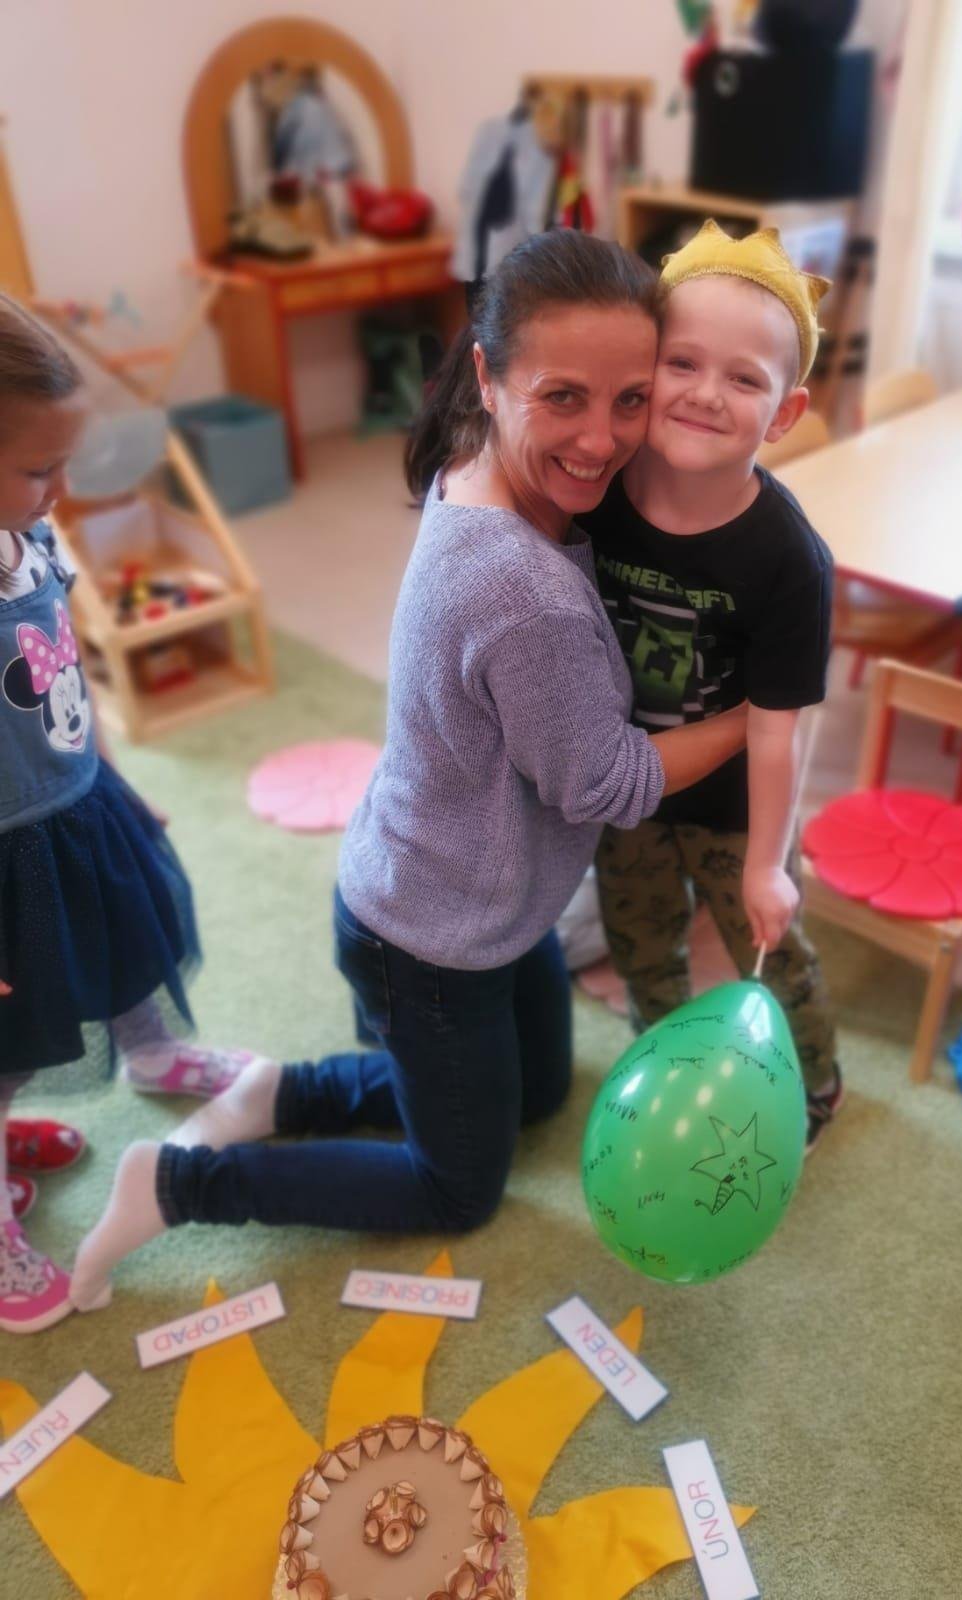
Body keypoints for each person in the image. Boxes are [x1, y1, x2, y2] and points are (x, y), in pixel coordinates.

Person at [69, 230, 749, 1309]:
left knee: (537, 1096)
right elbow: (608, 784)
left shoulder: (475, 464)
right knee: (459, 1184)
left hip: (480, 900)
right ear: (488, 375)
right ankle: (180, 1182)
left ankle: (278, 1093)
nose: (603, 439)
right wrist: (759, 715)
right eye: (564, 398)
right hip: (429, 941)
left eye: (632, 400)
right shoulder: (523, 594)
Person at [0, 296, 261, 1333]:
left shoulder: (34, 538)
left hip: (79, 802)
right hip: (7, 856)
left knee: (130, 931)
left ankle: (152, 1052)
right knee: (13, 1036)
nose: (62, 491)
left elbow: (65, 666)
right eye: (40, 469)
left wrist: (112, 775)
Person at [580, 220, 842, 1149]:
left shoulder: (790, 561)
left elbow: (775, 731)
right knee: (642, 946)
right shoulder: (596, 492)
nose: (703, 393)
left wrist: (769, 862)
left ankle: (814, 1081)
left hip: (736, 813)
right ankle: (661, 1067)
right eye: (681, 363)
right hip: (629, 795)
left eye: (743, 378)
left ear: (785, 412)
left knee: (769, 947)